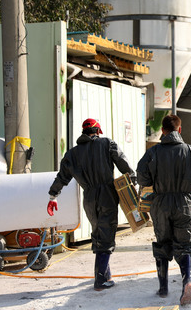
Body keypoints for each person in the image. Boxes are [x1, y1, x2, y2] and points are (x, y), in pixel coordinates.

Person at [47, 118, 136, 291]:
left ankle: (104, 274)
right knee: (107, 234)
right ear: (98, 131)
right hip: (107, 195)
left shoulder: (72, 154)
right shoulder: (107, 144)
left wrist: (53, 196)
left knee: (98, 232)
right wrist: (133, 182)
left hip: (88, 197)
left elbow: (62, 178)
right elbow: (123, 163)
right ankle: (101, 280)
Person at [136, 114, 191, 306]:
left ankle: (163, 288)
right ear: (179, 130)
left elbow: (142, 176)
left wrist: (153, 180)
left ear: (163, 131)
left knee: (163, 243)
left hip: (160, 203)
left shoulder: (153, 152)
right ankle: (188, 281)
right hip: (184, 202)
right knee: (184, 245)